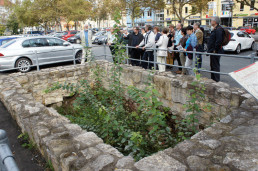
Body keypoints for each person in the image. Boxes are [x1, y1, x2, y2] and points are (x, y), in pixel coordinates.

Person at [208, 16, 224, 82]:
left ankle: (216, 80)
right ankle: (213, 80)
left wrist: (215, 49)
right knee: (212, 65)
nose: (210, 22)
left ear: (214, 22)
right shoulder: (215, 29)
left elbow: (219, 41)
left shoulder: (219, 29)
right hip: (212, 51)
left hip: (215, 51)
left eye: (211, 20)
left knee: (215, 66)